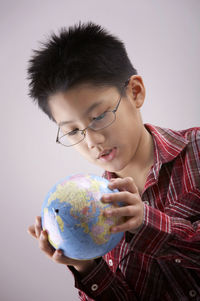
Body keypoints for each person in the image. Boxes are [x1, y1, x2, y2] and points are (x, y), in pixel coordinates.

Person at [27, 22, 200, 301]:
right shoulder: (92, 217)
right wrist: (85, 264)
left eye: (98, 117)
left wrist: (147, 224)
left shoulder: (197, 150)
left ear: (135, 92)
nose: (92, 141)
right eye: (72, 131)